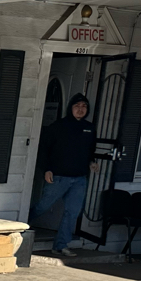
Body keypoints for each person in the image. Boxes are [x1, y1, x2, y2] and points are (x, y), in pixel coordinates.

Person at [33, 93, 96, 257]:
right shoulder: (58, 126)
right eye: (77, 106)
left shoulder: (89, 128)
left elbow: (90, 150)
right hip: (58, 177)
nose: (80, 110)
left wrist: (92, 162)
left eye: (84, 107)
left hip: (79, 179)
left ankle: (60, 245)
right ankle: (20, 229)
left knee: (72, 212)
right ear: (71, 108)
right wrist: (46, 169)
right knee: (43, 206)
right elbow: (44, 149)